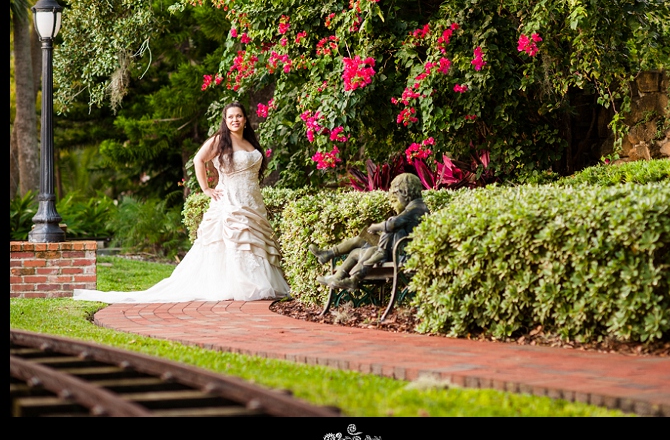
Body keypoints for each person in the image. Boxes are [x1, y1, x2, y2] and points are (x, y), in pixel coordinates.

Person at [74, 101, 290, 303]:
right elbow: (198, 159)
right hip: (230, 201)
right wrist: (206, 188)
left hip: (252, 200)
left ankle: (261, 282)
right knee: (235, 240)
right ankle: (241, 285)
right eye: (230, 117)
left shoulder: (250, 141)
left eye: (239, 116)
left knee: (252, 241)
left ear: (245, 119)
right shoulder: (219, 140)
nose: (235, 120)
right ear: (225, 120)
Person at [311, 172, 429, 291]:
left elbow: (392, 225)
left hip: (399, 253)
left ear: (404, 193)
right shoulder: (413, 208)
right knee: (361, 239)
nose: (393, 206)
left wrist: (375, 227)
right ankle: (330, 259)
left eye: (394, 200)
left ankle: (349, 278)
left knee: (358, 252)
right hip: (394, 249)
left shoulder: (417, 208)